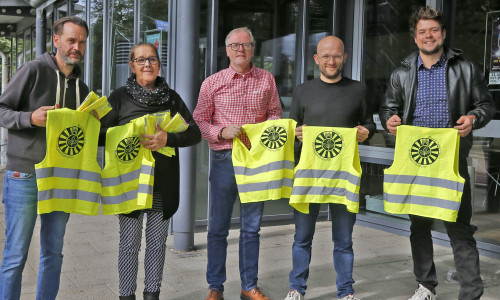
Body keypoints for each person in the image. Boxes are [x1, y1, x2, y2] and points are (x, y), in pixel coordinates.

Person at [379, 6, 495, 300]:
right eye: (422, 31)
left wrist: (472, 119)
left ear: (442, 34)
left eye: (433, 30)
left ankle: (470, 293)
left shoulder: (466, 69)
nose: (428, 36)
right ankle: (426, 287)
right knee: (419, 227)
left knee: (460, 228)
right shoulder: (402, 72)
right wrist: (389, 120)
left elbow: (486, 105)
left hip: (451, 160)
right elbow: (388, 109)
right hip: (416, 161)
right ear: (415, 37)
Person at [99, 42, 201, 300]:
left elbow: (194, 133)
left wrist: (168, 140)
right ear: (132, 66)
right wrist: (127, 132)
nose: (147, 64)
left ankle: (152, 294)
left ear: (159, 64)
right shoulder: (119, 97)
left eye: (152, 59)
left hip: (162, 185)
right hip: (130, 186)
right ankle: (126, 296)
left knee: (156, 244)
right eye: (141, 60)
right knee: (129, 244)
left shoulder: (172, 98)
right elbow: (100, 136)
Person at [0, 16, 90, 300]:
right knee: (16, 255)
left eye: (82, 42)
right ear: (56, 40)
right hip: (25, 175)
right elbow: (2, 109)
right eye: (71, 40)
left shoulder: (81, 87)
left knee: (54, 253)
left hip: (60, 177)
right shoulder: (33, 69)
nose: (76, 47)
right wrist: (29, 117)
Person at [193, 27, 282, 300]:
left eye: (246, 44)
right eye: (234, 45)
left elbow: (276, 114)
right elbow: (199, 118)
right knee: (218, 227)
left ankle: (248, 286)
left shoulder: (267, 79)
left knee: (251, 228)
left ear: (253, 48)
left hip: (255, 161)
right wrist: (220, 132)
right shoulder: (212, 82)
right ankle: (215, 287)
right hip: (224, 159)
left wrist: (266, 127)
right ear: (227, 49)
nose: (240, 49)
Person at [284, 36, 375, 300]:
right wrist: (297, 133)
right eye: (326, 56)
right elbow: (293, 129)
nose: (331, 61)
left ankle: (345, 292)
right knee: (302, 237)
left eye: (336, 56)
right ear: (317, 59)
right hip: (309, 174)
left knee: (344, 240)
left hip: (343, 175)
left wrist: (365, 131)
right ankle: (296, 289)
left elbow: (370, 124)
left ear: (345, 57)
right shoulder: (302, 90)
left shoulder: (359, 90)